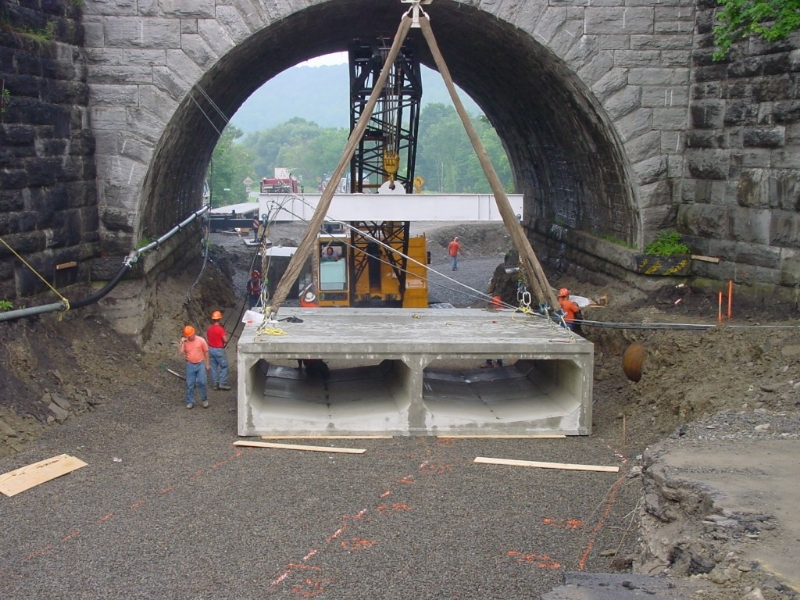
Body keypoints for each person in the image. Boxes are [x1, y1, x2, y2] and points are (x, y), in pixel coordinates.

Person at [178, 325, 210, 409]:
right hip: (190, 365)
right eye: (188, 336)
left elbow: (206, 352)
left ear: (194, 332)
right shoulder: (185, 342)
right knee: (190, 384)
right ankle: (190, 401)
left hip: (200, 364)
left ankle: (204, 399)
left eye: (191, 335)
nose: (190, 337)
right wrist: (181, 343)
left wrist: (207, 364)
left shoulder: (201, 340)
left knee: (202, 382)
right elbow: (180, 353)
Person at [206, 311, 231, 391]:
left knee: (214, 367)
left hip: (211, 349)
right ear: (220, 319)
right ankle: (222, 383)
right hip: (219, 350)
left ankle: (215, 384)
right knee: (224, 366)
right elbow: (225, 340)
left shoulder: (209, 329)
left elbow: (208, 338)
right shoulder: (221, 329)